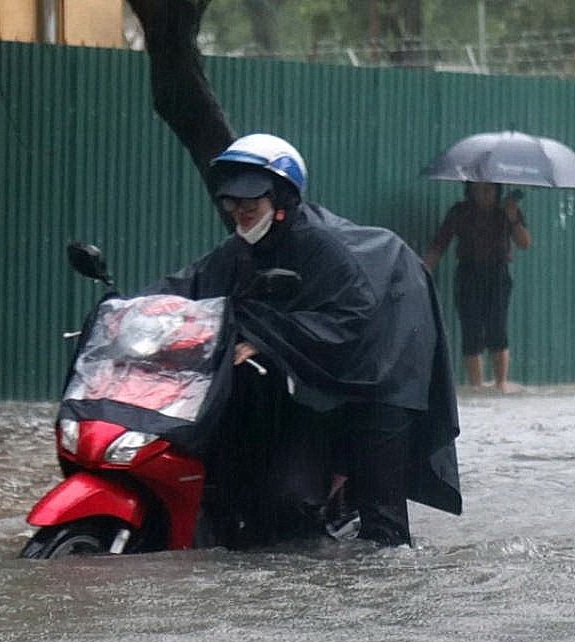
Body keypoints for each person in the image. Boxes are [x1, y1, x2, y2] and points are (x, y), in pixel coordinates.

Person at [142, 133, 461, 548]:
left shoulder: (320, 247)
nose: (240, 212)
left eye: (251, 203)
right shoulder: (240, 250)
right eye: (233, 203)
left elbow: (351, 319)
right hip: (317, 377)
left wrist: (266, 338)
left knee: (381, 522)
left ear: (281, 203)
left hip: (385, 365)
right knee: (277, 500)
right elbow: (188, 286)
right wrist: (128, 313)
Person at [424, 182, 531, 392]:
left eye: (489, 189)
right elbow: (440, 243)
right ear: (470, 190)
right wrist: (423, 269)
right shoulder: (460, 212)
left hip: (497, 274)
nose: (484, 194)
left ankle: (501, 383)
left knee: (497, 328)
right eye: (478, 189)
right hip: (468, 273)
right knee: (470, 329)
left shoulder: (506, 211)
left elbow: (524, 243)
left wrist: (513, 218)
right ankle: (477, 386)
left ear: (497, 190)